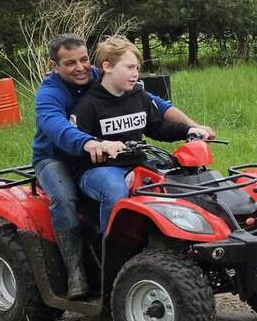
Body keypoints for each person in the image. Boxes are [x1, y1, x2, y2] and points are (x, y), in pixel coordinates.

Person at [31, 33, 209, 297]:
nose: (80, 67)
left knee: (169, 179)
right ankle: (78, 272)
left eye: (84, 59)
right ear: (53, 66)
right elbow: (57, 127)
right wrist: (91, 143)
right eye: (70, 63)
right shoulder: (50, 94)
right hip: (56, 156)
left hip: (111, 154)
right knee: (65, 199)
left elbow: (154, 107)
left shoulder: (102, 75)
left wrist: (191, 128)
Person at [66, 35, 214, 233]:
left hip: (136, 162)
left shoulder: (138, 95)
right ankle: (111, 244)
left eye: (137, 68)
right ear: (107, 67)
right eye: (129, 67)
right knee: (115, 191)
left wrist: (188, 130)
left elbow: (156, 127)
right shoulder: (88, 104)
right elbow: (76, 141)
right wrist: (99, 145)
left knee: (177, 183)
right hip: (98, 170)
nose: (135, 74)